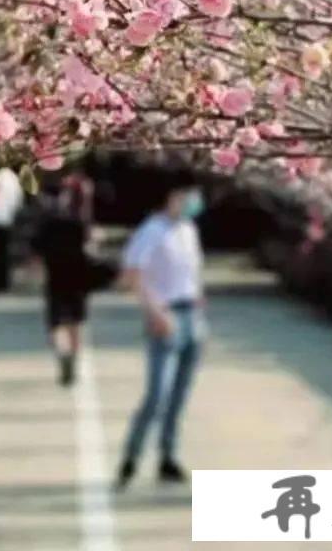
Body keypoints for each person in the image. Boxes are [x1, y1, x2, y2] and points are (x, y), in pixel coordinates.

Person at [116, 173, 206, 488]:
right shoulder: (151, 231)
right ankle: (132, 457)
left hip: (191, 314)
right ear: (171, 196)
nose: (193, 203)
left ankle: (168, 456)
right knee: (157, 394)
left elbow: (190, 273)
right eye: (187, 196)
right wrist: (154, 310)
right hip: (165, 315)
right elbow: (131, 275)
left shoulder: (188, 229)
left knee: (180, 394)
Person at [32, 174, 94, 386]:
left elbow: (36, 255)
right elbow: (89, 247)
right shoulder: (79, 221)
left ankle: (62, 355)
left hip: (55, 277)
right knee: (75, 322)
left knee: (55, 324)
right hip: (77, 277)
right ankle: (74, 359)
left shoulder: (47, 222)